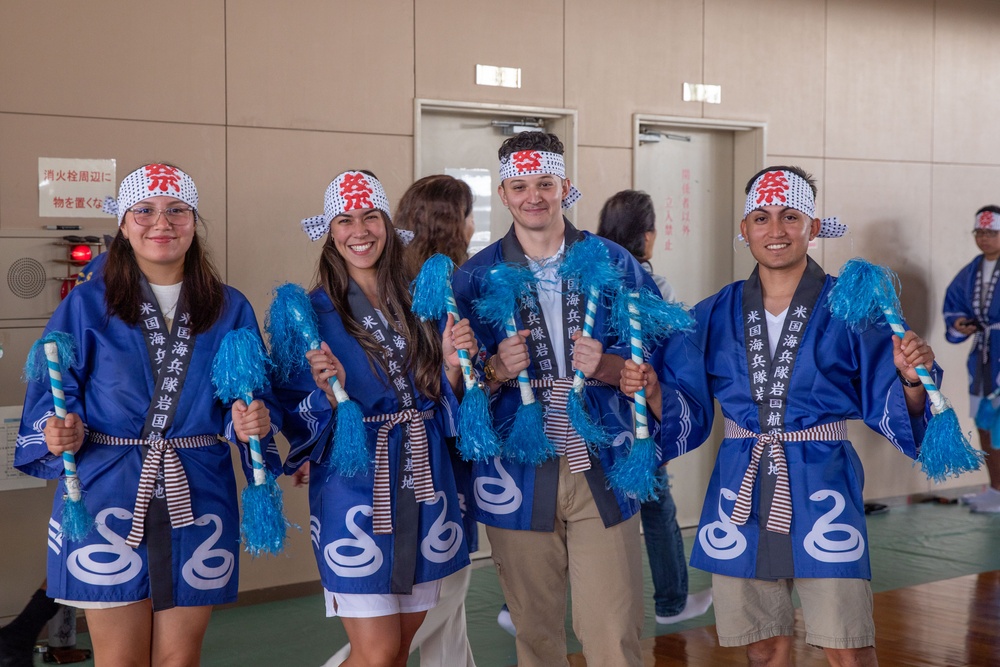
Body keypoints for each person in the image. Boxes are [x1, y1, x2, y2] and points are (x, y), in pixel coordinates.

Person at [622, 166, 936, 666]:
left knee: (847, 646)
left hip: (822, 481)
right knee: (764, 645)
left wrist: (913, 377)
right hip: (740, 485)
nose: (776, 230)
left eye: (791, 217)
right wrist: (655, 391)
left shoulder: (851, 307)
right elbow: (686, 406)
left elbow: (897, 401)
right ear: (744, 229)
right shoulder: (713, 313)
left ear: (813, 227)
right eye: (762, 218)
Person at [15, 163, 278, 666]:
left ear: (194, 221)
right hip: (107, 484)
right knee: (121, 662)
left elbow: (242, 402)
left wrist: (249, 425)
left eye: (177, 210)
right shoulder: (87, 304)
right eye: (145, 211)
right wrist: (56, 431)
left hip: (198, 485)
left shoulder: (229, 306)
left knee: (180, 661)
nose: (162, 223)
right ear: (123, 223)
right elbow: (52, 394)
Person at [452, 132, 652, 667]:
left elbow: (661, 354)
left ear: (566, 185)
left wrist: (609, 367)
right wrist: (495, 369)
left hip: (602, 457)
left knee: (613, 630)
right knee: (535, 635)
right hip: (516, 467)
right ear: (503, 192)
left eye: (545, 183)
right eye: (519, 185)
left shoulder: (612, 263)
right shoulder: (473, 277)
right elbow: (453, 386)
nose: (533, 196)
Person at [275, 171, 474, 667]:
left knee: (399, 649)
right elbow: (289, 409)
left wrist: (451, 364)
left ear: (387, 224)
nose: (359, 230)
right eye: (345, 219)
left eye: (370, 217)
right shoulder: (306, 314)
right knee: (379, 652)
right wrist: (328, 395)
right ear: (329, 231)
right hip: (355, 491)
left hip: (426, 484)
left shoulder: (418, 301)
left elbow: (439, 401)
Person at [596, 189, 713, 626]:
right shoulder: (653, 285)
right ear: (647, 235)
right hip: (637, 414)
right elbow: (668, 348)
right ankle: (671, 601)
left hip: (591, 416)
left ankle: (516, 606)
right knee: (656, 503)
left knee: (581, 507)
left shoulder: (590, 278)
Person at [944, 206, 1000, 513]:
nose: (984, 238)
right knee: (984, 422)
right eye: (980, 232)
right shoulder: (971, 271)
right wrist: (959, 324)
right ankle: (995, 488)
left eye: (991, 232)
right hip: (983, 357)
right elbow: (953, 306)